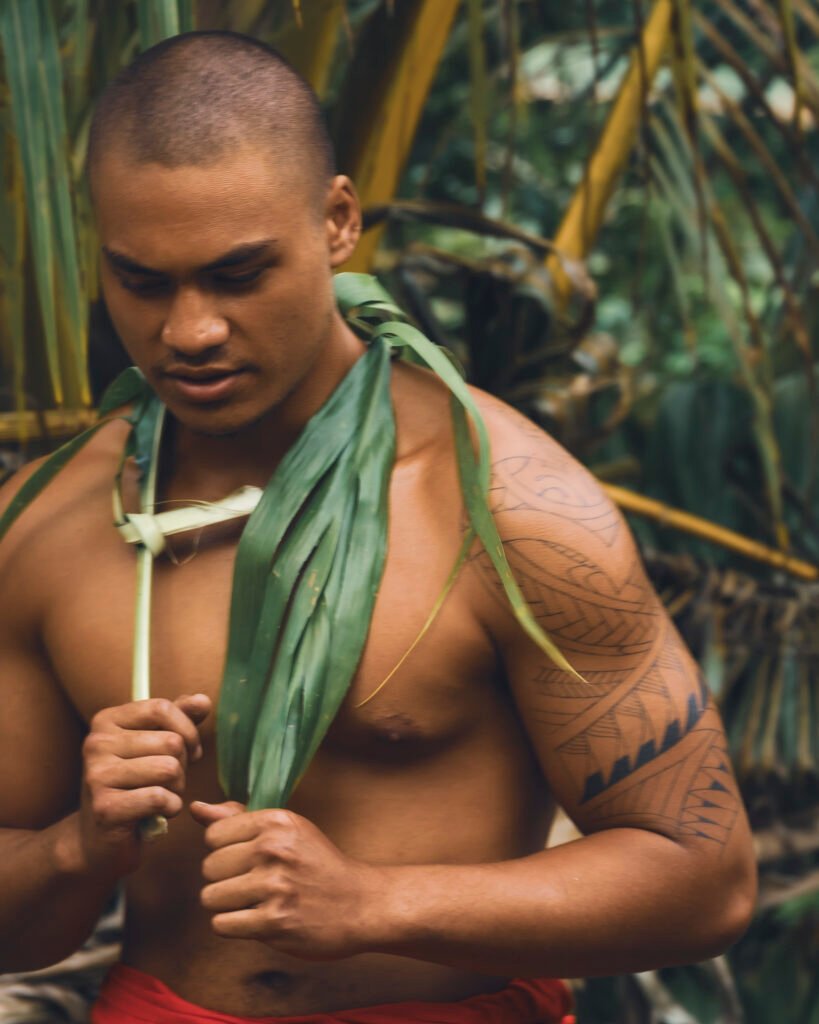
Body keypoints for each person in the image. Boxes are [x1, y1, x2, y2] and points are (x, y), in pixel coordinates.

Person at [0, 30, 755, 1024]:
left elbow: (707, 882)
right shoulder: (53, 524)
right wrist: (74, 849)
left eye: (238, 274)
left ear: (338, 221)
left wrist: (374, 904)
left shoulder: (505, 507)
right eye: (143, 282)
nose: (189, 331)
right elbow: (17, 933)